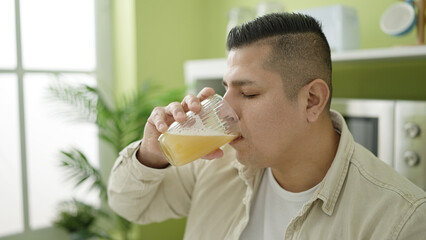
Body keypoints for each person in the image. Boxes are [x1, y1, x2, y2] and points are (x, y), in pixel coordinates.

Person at [108, 13, 426, 239]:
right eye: (226, 89)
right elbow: (128, 205)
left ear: (312, 100)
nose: (225, 107)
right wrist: (151, 154)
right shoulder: (216, 163)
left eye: (248, 93)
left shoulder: (400, 221)